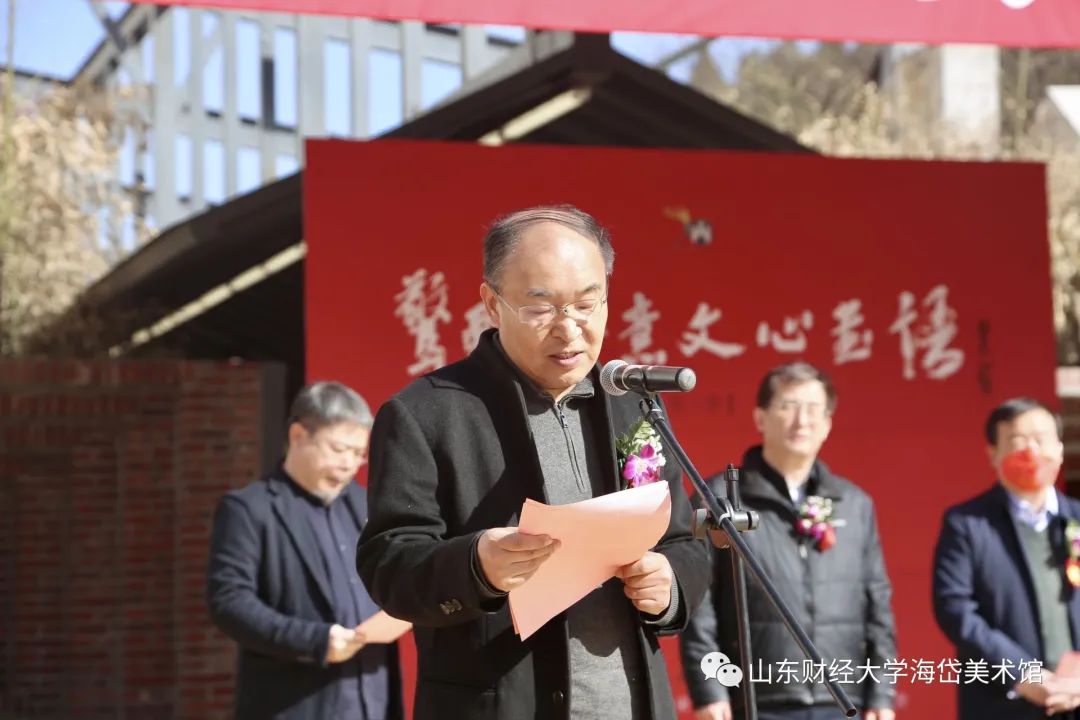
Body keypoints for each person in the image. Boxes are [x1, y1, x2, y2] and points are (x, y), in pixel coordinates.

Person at [356, 204, 707, 720]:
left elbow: (683, 540)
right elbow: (389, 565)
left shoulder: (633, 404)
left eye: (587, 304)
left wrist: (669, 583)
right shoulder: (426, 413)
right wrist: (477, 564)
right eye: (541, 308)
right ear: (492, 304)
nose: (569, 329)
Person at [680, 362, 897, 720]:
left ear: (827, 423)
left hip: (843, 698)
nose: (802, 421)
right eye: (788, 406)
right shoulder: (721, 498)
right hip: (755, 698)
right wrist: (709, 688)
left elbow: (878, 606)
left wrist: (882, 693)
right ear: (761, 417)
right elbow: (699, 602)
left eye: (813, 409)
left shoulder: (854, 504)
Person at [207, 381, 403, 720]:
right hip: (296, 703)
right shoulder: (250, 510)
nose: (349, 464)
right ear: (298, 436)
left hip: (372, 698)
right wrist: (316, 641)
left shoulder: (365, 504)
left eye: (358, 453)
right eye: (338, 449)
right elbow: (229, 602)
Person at [933, 397, 1080, 719]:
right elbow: (955, 608)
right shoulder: (968, 524)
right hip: (1004, 702)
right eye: (1017, 441)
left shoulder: (1076, 518)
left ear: (1058, 447)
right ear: (993, 453)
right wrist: (1020, 672)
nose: (1031, 451)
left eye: (1041, 439)